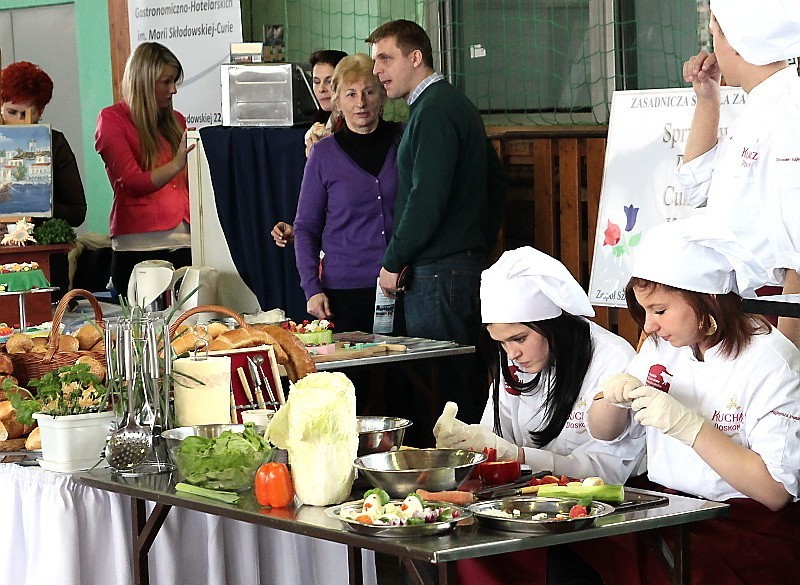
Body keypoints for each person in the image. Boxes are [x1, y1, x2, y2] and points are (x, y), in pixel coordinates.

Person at [585, 216, 800, 585]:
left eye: (660, 310)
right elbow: (603, 432)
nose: (649, 326)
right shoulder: (664, 344)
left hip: (742, 529)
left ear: (708, 301)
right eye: (645, 311)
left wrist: (690, 427)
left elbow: (775, 492)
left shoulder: (770, 362)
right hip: (667, 510)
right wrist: (612, 398)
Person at [434, 246, 641, 585]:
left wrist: (516, 455)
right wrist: (469, 447)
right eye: (501, 343)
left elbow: (609, 472)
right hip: (525, 511)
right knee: (463, 547)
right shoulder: (514, 363)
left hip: (596, 520)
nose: (512, 354)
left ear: (552, 324)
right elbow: (492, 435)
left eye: (519, 338)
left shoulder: (611, 359)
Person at [366, 19, 507, 423]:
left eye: (386, 58)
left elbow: (425, 199)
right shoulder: (451, 104)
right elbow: (496, 182)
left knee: (449, 392)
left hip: (438, 273)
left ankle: (460, 475)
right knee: (460, 383)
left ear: (416, 58)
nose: (378, 71)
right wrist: (473, 239)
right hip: (458, 266)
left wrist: (393, 260)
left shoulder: (434, 111)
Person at [679, 1, 800, 346]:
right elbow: (697, 186)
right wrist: (707, 97)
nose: (711, 47)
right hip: (744, 310)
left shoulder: (789, 114)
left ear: (735, 41)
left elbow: (798, 254)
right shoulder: (762, 105)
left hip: (776, 316)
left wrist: (788, 360)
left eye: (714, 33)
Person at [292, 53, 403, 333]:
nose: (361, 103)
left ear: (382, 95)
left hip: (400, 284)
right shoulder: (323, 154)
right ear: (337, 100)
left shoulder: (404, 140)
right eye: (351, 94)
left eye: (368, 92)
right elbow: (305, 227)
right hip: (343, 291)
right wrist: (311, 288)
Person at [95, 42, 194, 299]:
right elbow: (131, 183)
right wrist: (176, 164)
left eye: (174, 82)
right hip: (138, 247)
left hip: (187, 242)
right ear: (143, 81)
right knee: (145, 330)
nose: (173, 90)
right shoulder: (112, 120)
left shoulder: (177, 121)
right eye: (166, 82)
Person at [271, 49, 348, 248]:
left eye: (329, 81)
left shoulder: (351, 127)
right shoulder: (321, 123)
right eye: (316, 81)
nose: (322, 88)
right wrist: (299, 232)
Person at [0, 61, 86, 227]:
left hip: (43, 245)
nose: (19, 120)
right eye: (12, 112)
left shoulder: (55, 143)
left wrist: (38, 206)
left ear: (40, 112)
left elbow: (77, 212)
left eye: (26, 113)